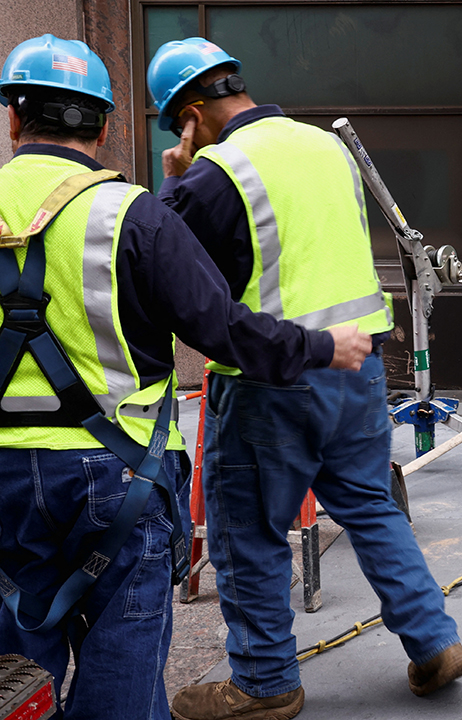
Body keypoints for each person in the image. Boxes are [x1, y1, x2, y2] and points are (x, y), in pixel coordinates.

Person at [0, 35, 371, 720]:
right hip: (119, 481)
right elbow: (224, 327)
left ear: (14, 120)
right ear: (108, 126)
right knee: (122, 667)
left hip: (5, 484)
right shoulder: (129, 215)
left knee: (18, 669)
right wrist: (323, 345)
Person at [147, 37, 462, 719]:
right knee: (369, 505)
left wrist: (176, 176)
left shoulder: (214, 173)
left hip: (272, 381)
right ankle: (435, 642)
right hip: (355, 365)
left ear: (190, 114)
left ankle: (264, 683)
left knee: (248, 533)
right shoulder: (325, 145)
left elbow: (164, 260)